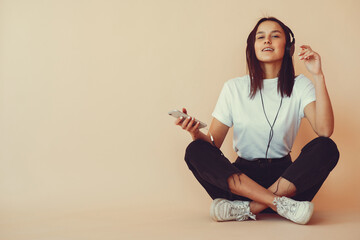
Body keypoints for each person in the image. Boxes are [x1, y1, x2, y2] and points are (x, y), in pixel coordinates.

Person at [174, 17, 339, 225]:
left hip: (287, 181)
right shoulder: (234, 88)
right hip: (242, 181)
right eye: (261, 37)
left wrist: (318, 76)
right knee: (196, 150)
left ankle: (249, 208)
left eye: (275, 36)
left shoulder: (300, 85)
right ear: (252, 47)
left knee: (326, 147)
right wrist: (195, 133)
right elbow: (213, 145)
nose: (267, 41)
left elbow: (325, 130)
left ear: (288, 47)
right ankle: (278, 204)